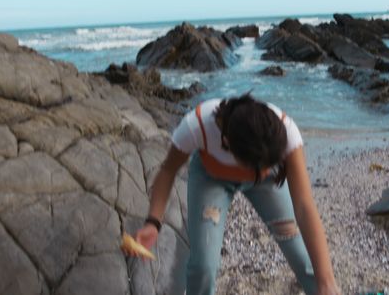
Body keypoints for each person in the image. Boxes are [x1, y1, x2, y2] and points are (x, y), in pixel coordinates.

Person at [122, 93, 340, 295]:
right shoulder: (197, 125)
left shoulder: (284, 131)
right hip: (211, 178)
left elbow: (304, 205)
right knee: (203, 266)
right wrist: (153, 222)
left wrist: (326, 280)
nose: (264, 170)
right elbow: (168, 170)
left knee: (307, 261)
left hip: (265, 183)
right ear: (226, 143)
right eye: (260, 167)